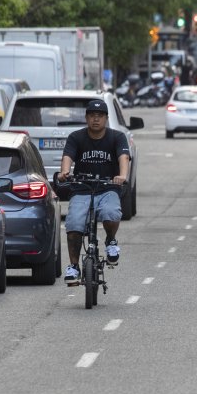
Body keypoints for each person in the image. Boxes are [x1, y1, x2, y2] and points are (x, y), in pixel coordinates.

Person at [56, 99, 131, 285]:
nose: (96, 119)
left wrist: (122, 176)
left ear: (106, 118)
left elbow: (124, 157)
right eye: (92, 116)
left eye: (100, 116)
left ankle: (111, 241)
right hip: (82, 189)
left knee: (111, 213)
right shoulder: (76, 137)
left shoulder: (117, 137)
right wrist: (65, 172)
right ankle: (73, 266)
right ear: (86, 118)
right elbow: (68, 157)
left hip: (107, 188)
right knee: (73, 224)